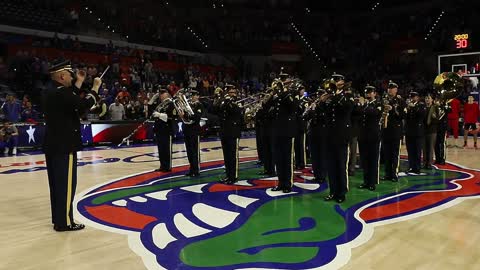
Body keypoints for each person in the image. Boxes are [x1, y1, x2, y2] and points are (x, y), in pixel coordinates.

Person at [42, 60, 101, 231]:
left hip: (52, 144)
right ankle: (65, 222)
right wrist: (95, 88)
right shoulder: (61, 93)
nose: (72, 76)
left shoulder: (50, 91)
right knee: (67, 185)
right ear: (61, 76)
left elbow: (70, 99)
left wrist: (79, 82)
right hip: (65, 145)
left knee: (56, 186)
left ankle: (59, 219)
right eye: (69, 74)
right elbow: (82, 105)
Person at [324, 74, 354, 203]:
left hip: (342, 134)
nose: (335, 83)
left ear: (342, 81)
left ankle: (342, 192)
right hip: (330, 134)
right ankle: (333, 191)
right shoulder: (330, 95)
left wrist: (335, 95)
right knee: (331, 165)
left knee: (341, 165)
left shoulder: (348, 94)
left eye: (337, 80)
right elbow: (325, 111)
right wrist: (322, 100)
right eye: (334, 80)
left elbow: (347, 107)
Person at [270, 77, 298, 193]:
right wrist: (274, 93)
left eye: (283, 81)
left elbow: (293, 107)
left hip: (287, 131)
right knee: (279, 159)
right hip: (277, 131)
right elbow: (270, 107)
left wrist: (285, 91)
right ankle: (281, 182)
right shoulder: (278, 95)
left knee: (287, 159)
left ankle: (288, 184)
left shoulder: (291, 94)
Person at [215, 84, 243, 184]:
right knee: (226, 156)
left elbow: (235, 111)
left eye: (232, 92)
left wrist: (227, 100)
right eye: (229, 92)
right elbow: (216, 109)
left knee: (233, 155)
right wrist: (219, 97)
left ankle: (233, 176)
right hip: (224, 131)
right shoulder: (223, 101)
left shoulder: (237, 102)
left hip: (233, 131)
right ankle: (228, 175)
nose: (231, 94)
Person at [357, 85, 383, 191]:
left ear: (374, 93)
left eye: (370, 92)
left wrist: (363, 105)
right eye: (366, 92)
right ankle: (366, 181)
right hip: (363, 136)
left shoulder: (378, 104)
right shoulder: (363, 105)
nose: (368, 94)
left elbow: (375, 113)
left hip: (373, 136)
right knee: (365, 160)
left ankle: (372, 182)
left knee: (373, 160)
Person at [381, 81, 405, 182]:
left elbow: (403, 116)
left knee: (395, 154)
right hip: (385, 130)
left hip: (396, 130)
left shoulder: (400, 101)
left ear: (396, 90)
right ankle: (387, 173)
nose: (390, 90)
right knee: (386, 154)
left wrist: (394, 110)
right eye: (389, 88)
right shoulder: (383, 100)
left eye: (392, 88)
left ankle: (394, 174)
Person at [150, 89, 177, 172]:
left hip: (167, 129)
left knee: (166, 149)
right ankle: (162, 165)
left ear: (167, 94)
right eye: (160, 94)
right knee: (161, 149)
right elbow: (151, 109)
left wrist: (159, 115)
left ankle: (167, 166)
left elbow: (171, 116)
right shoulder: (160, 104)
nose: (161, 95)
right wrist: (152, 100)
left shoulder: (171, 104)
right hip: (159, 129)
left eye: (163, 94)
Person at [181, 90, 205, 177]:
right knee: (189, 151)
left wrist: (186, 115)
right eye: (192, 95)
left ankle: (196, 170)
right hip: (187, 129)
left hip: (194, 130)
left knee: (195, 151)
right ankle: (191, 169)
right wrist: (182, 115)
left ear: (197, 96)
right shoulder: (188, 105)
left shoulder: (199, 105)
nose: (192, 97)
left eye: (194, 95)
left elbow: (197, 117)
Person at [405, 92, 426, 174]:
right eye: (411, 97)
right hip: (409, 131)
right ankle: (411, 166)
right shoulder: (408, 106)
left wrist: (414, 108)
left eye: (413, 97)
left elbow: (422, 115)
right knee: (410, 150)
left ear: (417, 97)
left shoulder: (421, 105)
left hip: (418, 132)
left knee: (417, 151)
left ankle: (417, 167)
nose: (412, 99)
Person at [423, 93, 440, 169]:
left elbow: (438, 120)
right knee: (424, 148)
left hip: (432, 130)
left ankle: (429, 163)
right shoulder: (422, 107)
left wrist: (433, 118)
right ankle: (424, 163)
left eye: (429, 98)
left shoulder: (435, 108)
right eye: (426, 98)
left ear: (432, 100)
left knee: (430, 148)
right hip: (423, 131)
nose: (427, 99)